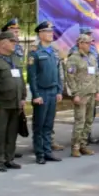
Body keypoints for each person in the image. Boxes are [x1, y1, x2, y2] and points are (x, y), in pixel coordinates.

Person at [0, 30, 27, 172]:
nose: (15, 44)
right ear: (3, 43)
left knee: (12, 132)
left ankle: (9, 158)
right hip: (1, 102)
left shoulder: (15, 59)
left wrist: (23, 97)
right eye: (12, 41)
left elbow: (21, 79)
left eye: (15, 41)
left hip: (15, 102)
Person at [26, 21, 63, 164]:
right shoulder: (34, 53)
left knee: (49, 124)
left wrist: (59, 90)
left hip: (53, 92)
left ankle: (48, 151)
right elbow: (32, 76)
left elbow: (57, 73)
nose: (50, 34)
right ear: (40, 34)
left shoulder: (54, 52)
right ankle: (39, 153)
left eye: (51, 31)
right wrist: (36, 95)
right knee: (39, 125)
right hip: (41, 92)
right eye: (47, 32)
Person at [66, 34, 99, 157]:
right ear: (80, 43)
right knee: (80, 121)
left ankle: (83, 144)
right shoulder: (74, 58)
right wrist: (74, 93)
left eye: (90, 43)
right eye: (86, 43)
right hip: (81, 94)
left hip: (92, 92)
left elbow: (97, 75)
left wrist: (98, 91)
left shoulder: (92, 57)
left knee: (89, 121)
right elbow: (70, 77)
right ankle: (75, 146)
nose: (89, 45)